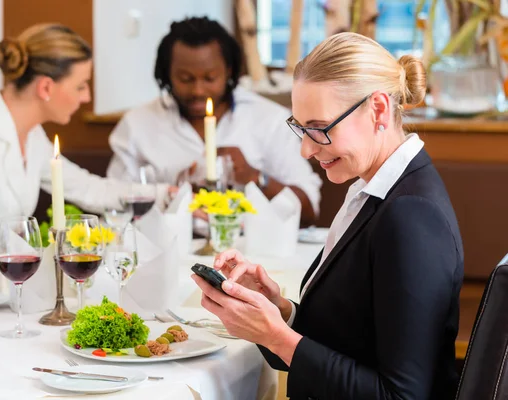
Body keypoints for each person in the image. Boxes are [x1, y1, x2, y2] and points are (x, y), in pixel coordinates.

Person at [192, 32, 464, 399]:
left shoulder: (411, 215)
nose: (305, 149)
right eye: (301, 129)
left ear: (378, 109)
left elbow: (401, 396)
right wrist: (279, 310)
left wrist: (275, 335)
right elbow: (354, 340)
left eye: (319, 129)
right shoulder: (375, 191)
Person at [0, 24, 168, 293]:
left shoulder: (31, 136)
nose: (86, 96)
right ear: (45, 87)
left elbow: (86, 187)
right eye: (80, 86)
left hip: (2, 295)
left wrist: (162, 194)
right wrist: (4, 270)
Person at [106, 17, 322, 226]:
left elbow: (309, 211)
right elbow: (114, 207)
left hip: (250, 252)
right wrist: (173, 193)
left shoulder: (268, 120)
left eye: (210, 78)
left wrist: (256, 177)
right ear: (166, 74)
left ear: (228, 70)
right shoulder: (138, 125)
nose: (198, 90)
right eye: (185, 79)